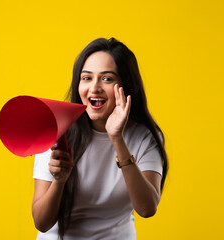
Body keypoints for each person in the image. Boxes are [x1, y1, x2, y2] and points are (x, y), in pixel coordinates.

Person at [32, 37, 168, 240]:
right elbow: (41, 223)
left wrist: (117, 138)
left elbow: (147, 208)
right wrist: (59, 181)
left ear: (125, 86)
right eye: (86, 78)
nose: (94, 88)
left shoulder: (145, 136)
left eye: (107, 79)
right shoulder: (58, 129)